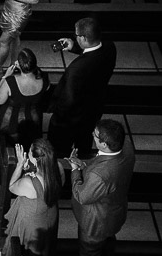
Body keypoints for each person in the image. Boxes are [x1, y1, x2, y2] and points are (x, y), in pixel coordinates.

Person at [47, 17, 117, 158]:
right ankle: (82, 156)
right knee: (84, 141)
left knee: (58, 148)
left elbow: (68, 100)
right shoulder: (110, 47)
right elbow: (95, 54)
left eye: (76, 35)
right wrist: (74, 47)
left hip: (70, 119)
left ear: (84, 38)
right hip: (94, 108)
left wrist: (56, 116)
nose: (75, 37)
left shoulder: (76, 70)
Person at [67, 119, 135, 256]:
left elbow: (82, 196)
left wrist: (75, 170)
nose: (92, 134)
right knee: (108, 242)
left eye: (95, 135)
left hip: (96, 223)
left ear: (104, 144)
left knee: (89, 254)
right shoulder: (126, 147)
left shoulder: (99, 175)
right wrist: (84, 165)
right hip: (113, 213)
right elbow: (102, 162)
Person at [4, 138, 62, 256]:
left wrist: (19, 165)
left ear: (35, 159)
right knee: (45, 245)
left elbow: (12, 187)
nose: (27, 152)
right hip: (49, 216)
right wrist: (30, 170)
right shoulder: (59, 167)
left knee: (27, 252)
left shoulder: (29, 183)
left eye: (29, 151)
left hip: (32, 221)